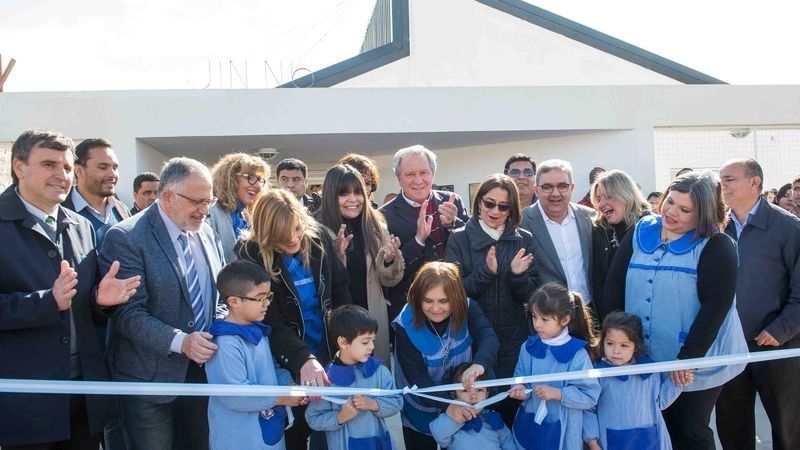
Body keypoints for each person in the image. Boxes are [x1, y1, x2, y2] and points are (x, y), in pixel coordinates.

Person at [0, 129, 140, 449]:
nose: (61, 175)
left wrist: (101, 302)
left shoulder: (82, 226)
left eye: (65, 167)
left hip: (83, 396)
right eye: (49, 164)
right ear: (19, 167)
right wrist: (47, 302)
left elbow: (84, 307)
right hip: (26, 401)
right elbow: (49, 302)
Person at [603, 172, 747, 450]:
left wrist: (687, 359)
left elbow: (716, 307)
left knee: (688, 428)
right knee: (653, 424)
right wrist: (613, 335)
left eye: (685, 210)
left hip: (694, 358)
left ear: (703, 214)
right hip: (644, 355)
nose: (671, 212)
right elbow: (614, 282)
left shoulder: (717, 246)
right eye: (670, 202)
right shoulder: (641, 230)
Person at [100, 157, 226, 450]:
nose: (205, 210)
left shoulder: (207, 231)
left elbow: (216, 296)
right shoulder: (126, 237)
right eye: (198, 201)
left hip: (203, 374)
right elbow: (128, 314)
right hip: (149, 381)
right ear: (168, 196)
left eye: (209, 201)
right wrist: (181, 342)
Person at [236, 188, 352, 449]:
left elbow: (340, 291)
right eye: (283, 238)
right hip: (285, 361)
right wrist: (302, 359)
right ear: (266, 235)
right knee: (295, 432)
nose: (294, 240)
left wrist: (351, 339)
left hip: (329, 352)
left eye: (298, 231)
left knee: (331, 429)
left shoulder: (319, 238)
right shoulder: (250, 254)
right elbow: (268, 321)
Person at [716, 159, 800, 450]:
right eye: (721, 180)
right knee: (732, 427)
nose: (722, 186)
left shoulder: (788, 227)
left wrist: (781, 329)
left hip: (776, 346)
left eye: (730, 179)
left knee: (788, 429)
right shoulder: (715, 227)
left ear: (755, 183)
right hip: (728, 346)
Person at [444, 173, 538, 425]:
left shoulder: (524, 239)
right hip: (470, 341)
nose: (495, 210)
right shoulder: (459, 238)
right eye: (489, 203)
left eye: (503, 206)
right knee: (470, 420)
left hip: (513, 344)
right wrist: (486, 273)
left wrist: (517, 276)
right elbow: (452, 294)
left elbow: (532, 296)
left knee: (510, 417)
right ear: (478, 204)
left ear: (512, 209)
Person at [393, 261, 499, 450]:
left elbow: (489, 337)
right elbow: (416, 377)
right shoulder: (405, 324)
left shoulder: (468, 307)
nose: (435, 308)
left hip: (463, 400)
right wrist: (448, 406)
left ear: (456, 297)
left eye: (444, 301)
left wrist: (479, 364)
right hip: (423, 402)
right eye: (428, 300)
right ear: (417, 298)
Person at [206, 260, 303, 450]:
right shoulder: (225, 343)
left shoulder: (257, 329)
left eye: (268, 296)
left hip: (266, 430)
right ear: (234, 301)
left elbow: (271, 369)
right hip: (239, 438)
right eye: (259, 297)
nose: (266, 303)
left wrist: (289, 384)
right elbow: (235, 396)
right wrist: (281, 397)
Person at [315, 164, 403, 363]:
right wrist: (337, 259)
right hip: (338, 322)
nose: (353, 199)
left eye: (358, 192)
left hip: (372, 318)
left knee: (375, 380)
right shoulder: (317, 231)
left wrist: (389, 261)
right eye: (344, 194)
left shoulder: (376, 226)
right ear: (330, 196)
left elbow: (390, 282)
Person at [380, 145, 469, 322]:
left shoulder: (452, 201)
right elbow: (389, 274)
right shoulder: (384, 216)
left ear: (433, 174)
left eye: (424, 172)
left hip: (455, 301)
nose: (418, 180)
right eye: (410, 174)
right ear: (398, 178)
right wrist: (418, 240)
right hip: (412, 309)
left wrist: (453, 224)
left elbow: (470, 246)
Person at [507, 283, 600, 450]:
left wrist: (558, 394)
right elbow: (519, 376)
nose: (537, 324)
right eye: (534, 317)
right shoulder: (528, 347)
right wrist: (519, 388)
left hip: (565, 435)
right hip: (531, 427)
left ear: (565, 320)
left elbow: (590, 396)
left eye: (544, 319)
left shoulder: (577, 355)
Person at [306, 305, 403, 449]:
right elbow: (313, 418)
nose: (371, 347)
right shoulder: (327, 379)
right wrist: (340, 417)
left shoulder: (379, 371)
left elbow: (397, 402)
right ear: (343, 342)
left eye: (373, 341)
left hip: (378, 444)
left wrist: (374, 405)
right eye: (365, 342)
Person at [584, 312, 683, 450]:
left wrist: (677, 382)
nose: (616, 351)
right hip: (611, 441)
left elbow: (659, 402)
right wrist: (592, 441)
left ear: (635, 346)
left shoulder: (649, 371)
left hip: (649, 440)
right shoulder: (598, 374)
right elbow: (588, 410)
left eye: (624, 345)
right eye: (610, 343)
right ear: (603, 342)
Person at [520, 159, 595, 305]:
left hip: (589, 311)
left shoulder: (590, 217)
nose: (555, 193)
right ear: (536, 189)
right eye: (547, 187)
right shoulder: (521, 222)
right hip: (547, 315)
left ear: (572, 187)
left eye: (562, 186)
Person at [590, 169, 650, 321]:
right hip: (612, 322)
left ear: (626, 194)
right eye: (598, 199)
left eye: (609, 196)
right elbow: (598, 281)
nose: (602, 204)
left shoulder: (650, 227)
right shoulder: (600, 230)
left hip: (644, 318)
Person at [429, 362, 516, 450]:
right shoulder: (451, 418)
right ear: (454, 395)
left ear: (487, 394)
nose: (473, 396)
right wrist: (461, 415)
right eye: (466, 391)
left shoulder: (493, 417)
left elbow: (507, 441)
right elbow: (438, 434)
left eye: (479, 390)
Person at [61, 138, 130, 247]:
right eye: (103, 167)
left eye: (115, 168)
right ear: (79, 171)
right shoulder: (59, 210)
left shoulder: (122, 210)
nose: (112, 174)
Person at [208, 152, 270, 263]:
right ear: (230, 179)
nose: (257, 186)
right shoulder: (210, 213)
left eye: (259, 180)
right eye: (250, 177)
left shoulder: (245, 216)